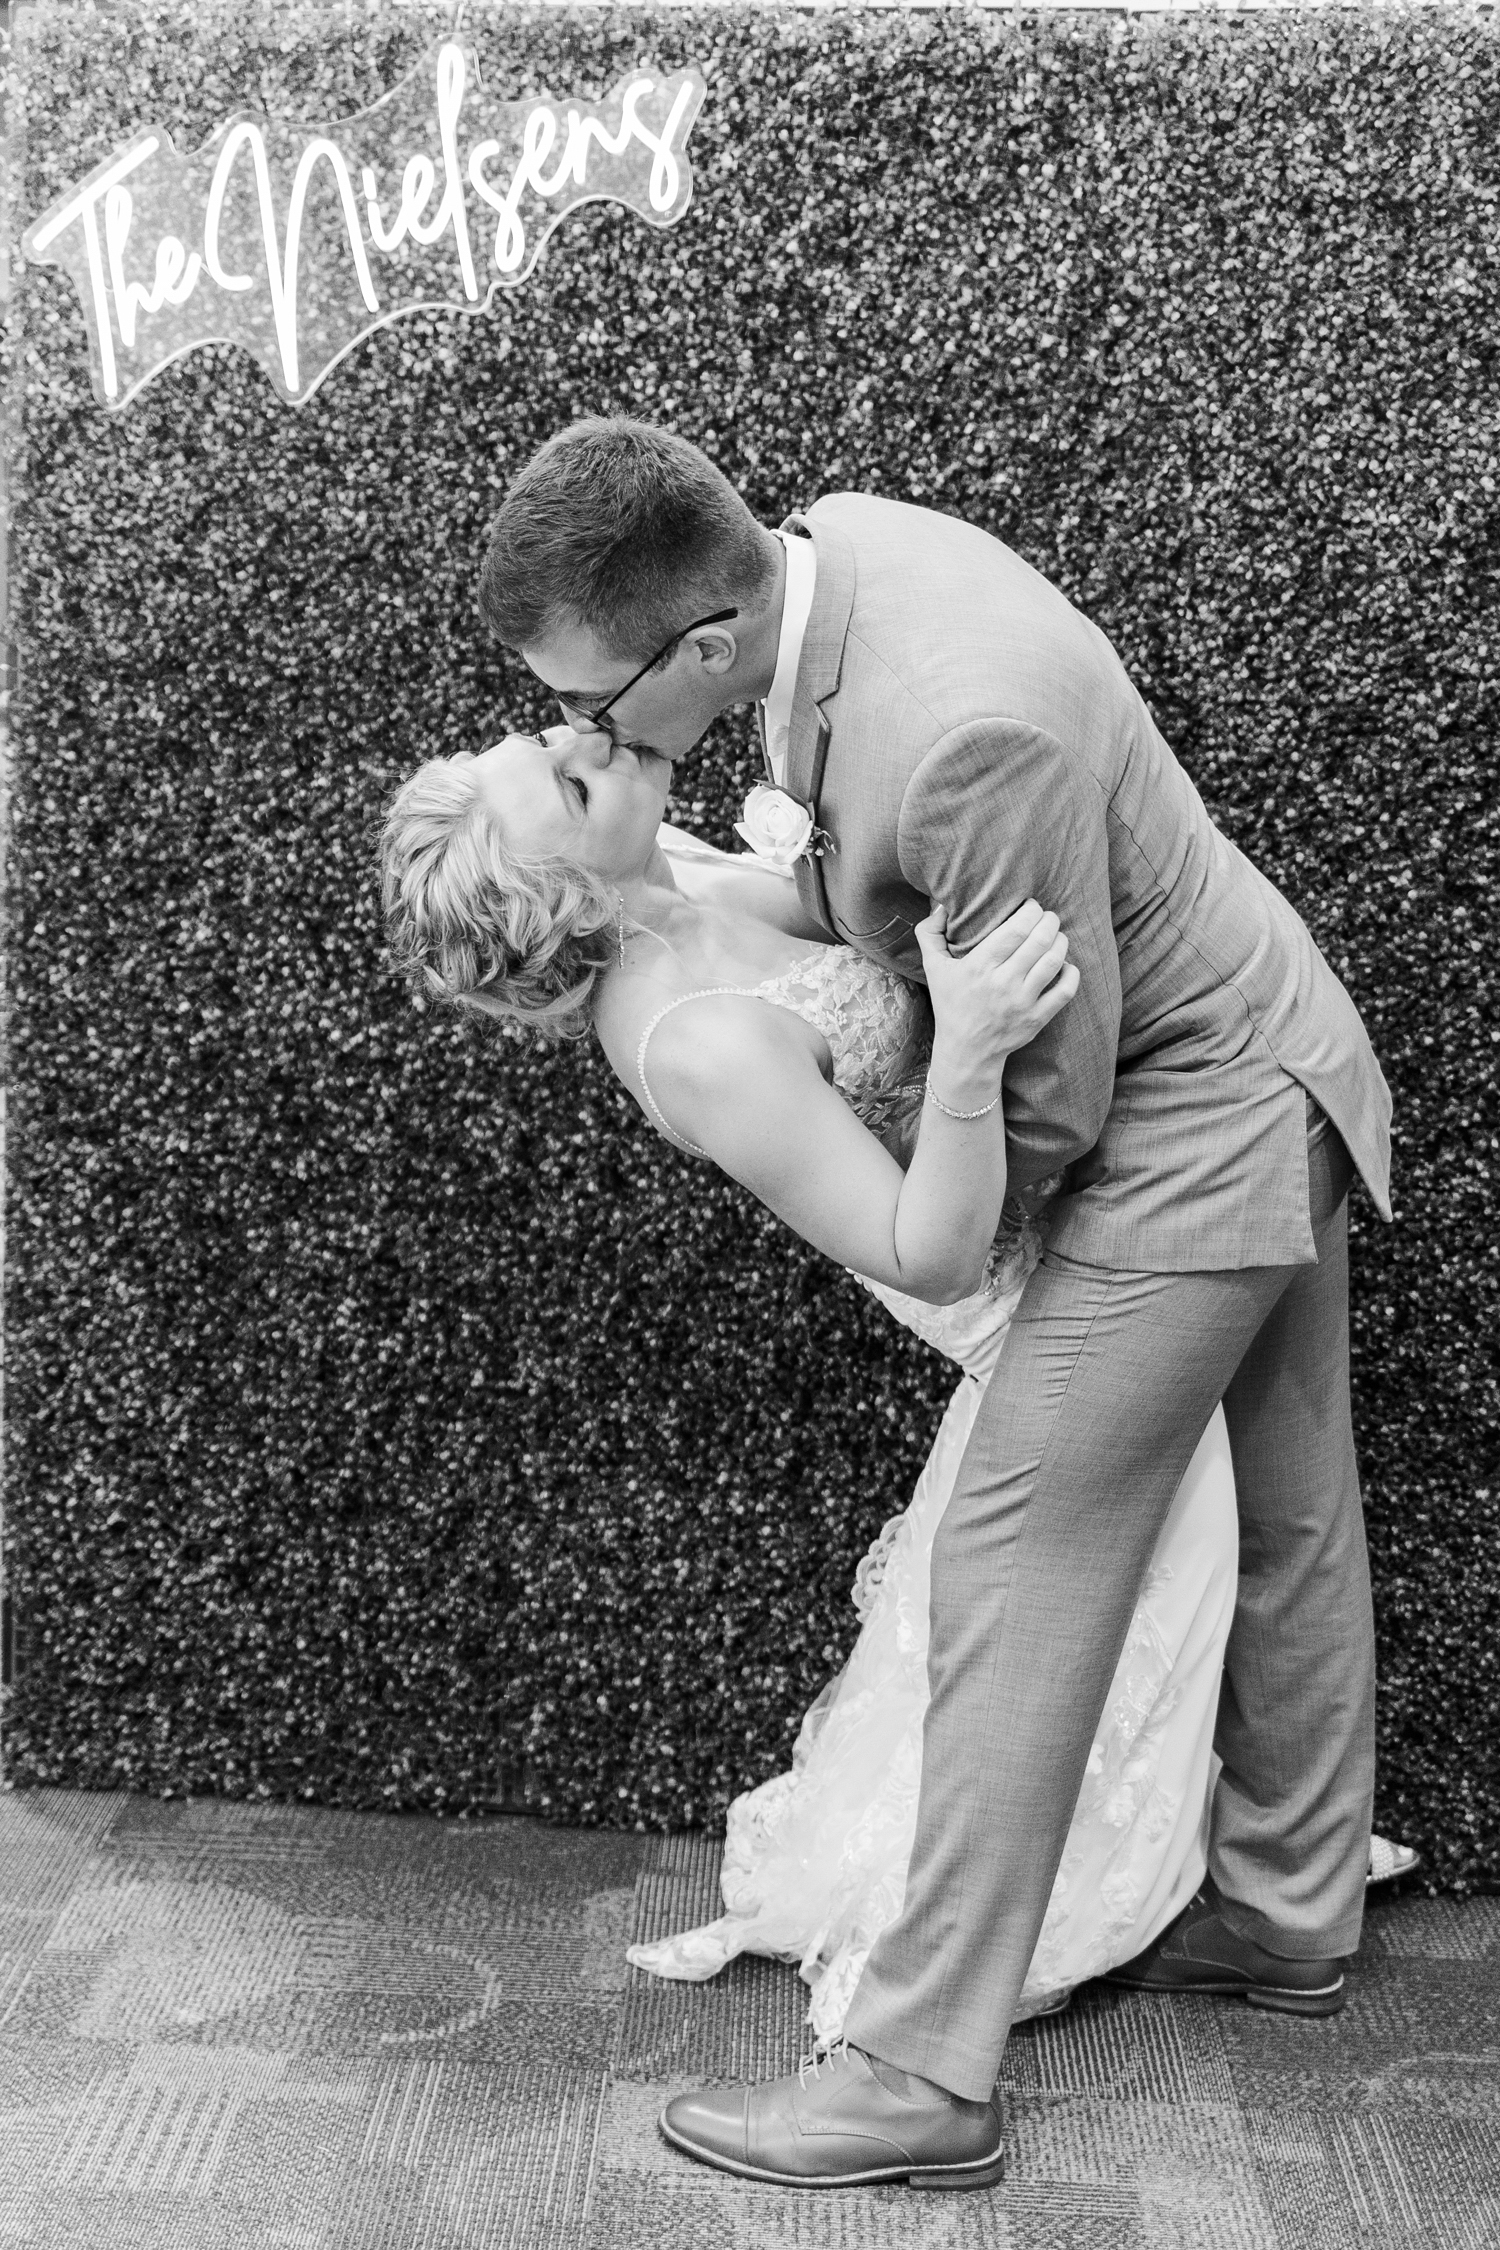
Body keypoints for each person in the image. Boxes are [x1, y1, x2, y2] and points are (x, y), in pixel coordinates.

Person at [383, 416, 1397, 2193]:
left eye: (596, 709)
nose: (586, 734)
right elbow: (849, 895)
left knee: (1021, 1544)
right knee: (1289, 1502)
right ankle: (1289, 1912)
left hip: (1191, 1114)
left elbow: (1054, 1105)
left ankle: (922, 2072)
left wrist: (971, 1101)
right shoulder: (834, 553)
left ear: (700, 650)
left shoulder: (958, 730)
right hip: (1260, 1048)